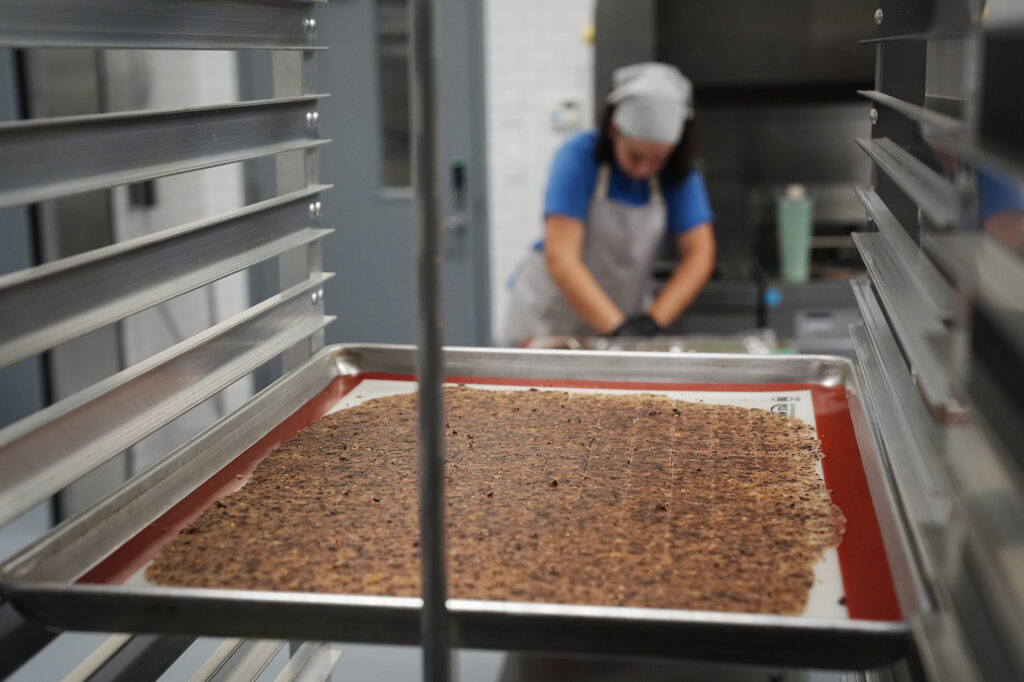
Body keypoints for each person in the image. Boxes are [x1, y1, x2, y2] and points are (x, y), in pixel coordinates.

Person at [505, 62, 715, 346]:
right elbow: (561, 257)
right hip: (551, 319)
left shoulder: (678, 174)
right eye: (635, 156)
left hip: (620, 321)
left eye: (657, 159)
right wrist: (614, 326)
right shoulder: (578, 156)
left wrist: (652, 320)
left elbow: (699, 254)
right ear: (614, 130)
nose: (644, 170)